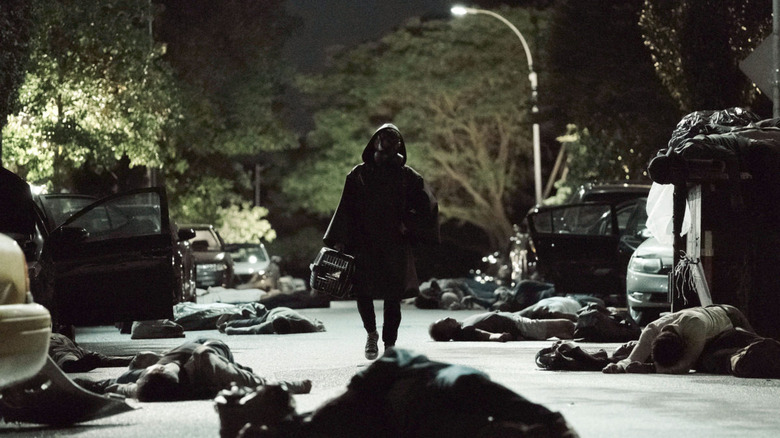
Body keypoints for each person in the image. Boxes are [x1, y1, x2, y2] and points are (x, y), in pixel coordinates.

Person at [323, 123, 439, 360]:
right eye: (383, 138)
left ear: (399, 145)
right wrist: (341, 240)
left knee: (392, 297)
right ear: (374, 142)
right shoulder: (359, 175)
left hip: (394, 243)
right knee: (363, 292)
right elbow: (346, 208)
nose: (387, 143)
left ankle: (390, 345)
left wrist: (408, 224)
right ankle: (371, 334)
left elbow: (427, 207)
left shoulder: (408, 177)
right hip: (364, 243)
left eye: (392, 139)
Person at [81, 338, 311, 401]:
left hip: (177, 356)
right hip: (210, 345)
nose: (154, 369)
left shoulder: (144, 385)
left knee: (131, 370)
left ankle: (156, 360)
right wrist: (299, 385)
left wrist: (88, 388)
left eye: (152, 370)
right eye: (157, 370)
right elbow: (257, 383)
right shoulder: (207, 365)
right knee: (206, 355)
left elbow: (119, 389)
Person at [602, 304, 754, 374]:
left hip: (731, 317)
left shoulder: (695, 326)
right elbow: (632, 359)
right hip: (707, 322)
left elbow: (686, 365)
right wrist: (619, 366)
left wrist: (651, 368)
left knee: (757, 346)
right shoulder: (651, 331)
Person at [429, 311, 576, 342]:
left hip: (514, 319)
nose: (448, 318)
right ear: (448, 334)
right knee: (567, 325)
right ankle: (593, 328)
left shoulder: (462, 325)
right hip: (520, 326)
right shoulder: (464, 331)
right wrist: (496, 337)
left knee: (565, 329)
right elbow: (480, 334)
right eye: (445, 322)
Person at [217, 306, 326, 335]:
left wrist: (231, 330)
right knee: (254, 321)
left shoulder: (304, 324)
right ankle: (228, 323)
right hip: (270, 314)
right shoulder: (270, 323)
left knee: (252, 322)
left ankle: (228, 324)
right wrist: (230, 329)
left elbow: (251, 330)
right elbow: (251, 329)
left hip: (280, 313)